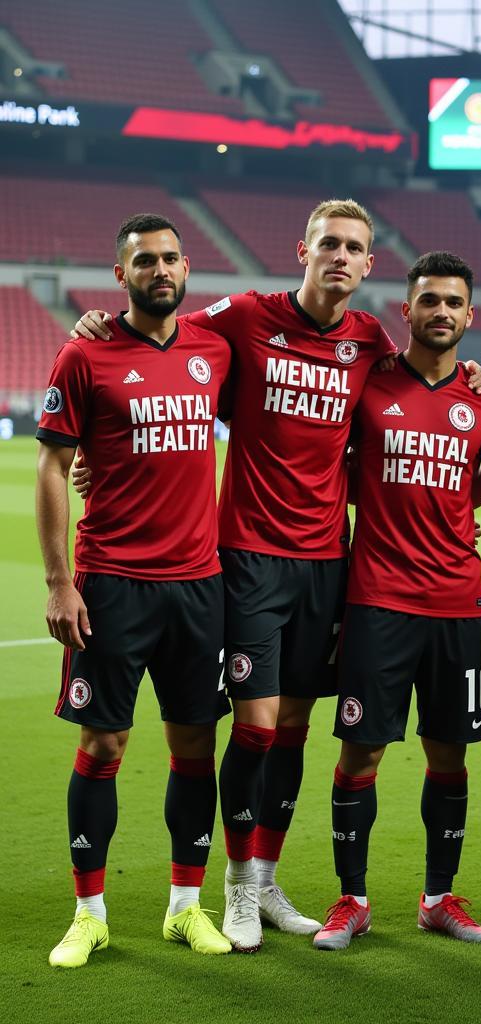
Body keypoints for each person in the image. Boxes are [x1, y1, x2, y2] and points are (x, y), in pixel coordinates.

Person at [71, 199, 396, 951]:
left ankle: (267, 882)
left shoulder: (369, 339)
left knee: (293, 727)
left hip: (328, 562)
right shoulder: (245, 316)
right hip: (245, 556)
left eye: (353, 247)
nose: (339, 257)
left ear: (368, 264)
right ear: (303, 250)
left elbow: (415, 394)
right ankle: (236, 888)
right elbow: (158, 346)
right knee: (251, 726)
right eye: (327, 245)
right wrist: (96, 326)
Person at [38, 214, 233, 967]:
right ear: (121, 275)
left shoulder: (214, 350)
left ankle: (186, 907)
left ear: (187, 268)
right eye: (145, 260)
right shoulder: (85, 353)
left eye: (171, 259)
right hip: (113, 582)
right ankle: (89, 913)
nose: (160, 270)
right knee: (104, 741)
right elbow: (55, 466)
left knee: (194, 744)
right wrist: (61, 582)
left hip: (198, 585)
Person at [313, 251, 481, 950]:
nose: (442, 313)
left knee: (449, 756)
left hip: (458, 603)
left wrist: (458, 503)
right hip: (379, 599)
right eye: (430, 301)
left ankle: (437, 898)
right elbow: (328, 462)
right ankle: (352, 899)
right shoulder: (369, 382)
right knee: (361, 755)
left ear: (469, 315)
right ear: (408, 310)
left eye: (454, 302)